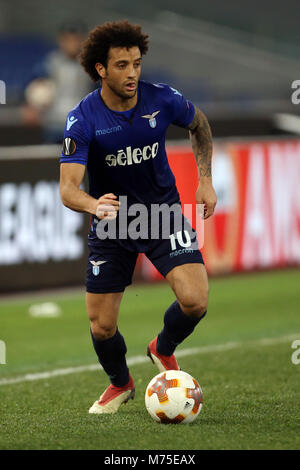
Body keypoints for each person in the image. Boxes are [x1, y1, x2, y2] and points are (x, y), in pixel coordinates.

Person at [59, 20, 217, 414]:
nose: (132, 73)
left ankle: (161, 348)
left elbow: (199, 123)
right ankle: (120, 384)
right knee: (102, 326)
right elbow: (68, 189)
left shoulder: (162, 99)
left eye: (136, 63)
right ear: (101, 69)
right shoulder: (82, 120)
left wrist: (205, 180)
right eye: (122, 66)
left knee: (196, 301)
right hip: (113, 224)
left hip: (162, 215)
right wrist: (94, 205)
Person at [23, 21, 92, 143]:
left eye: (76, 39)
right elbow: (34, 84)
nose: (72, 44)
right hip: (54, 123)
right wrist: (31, 105)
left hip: (82, 124)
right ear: (61, 40)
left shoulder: (92, 65)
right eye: (68, 40)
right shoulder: (49, 62)